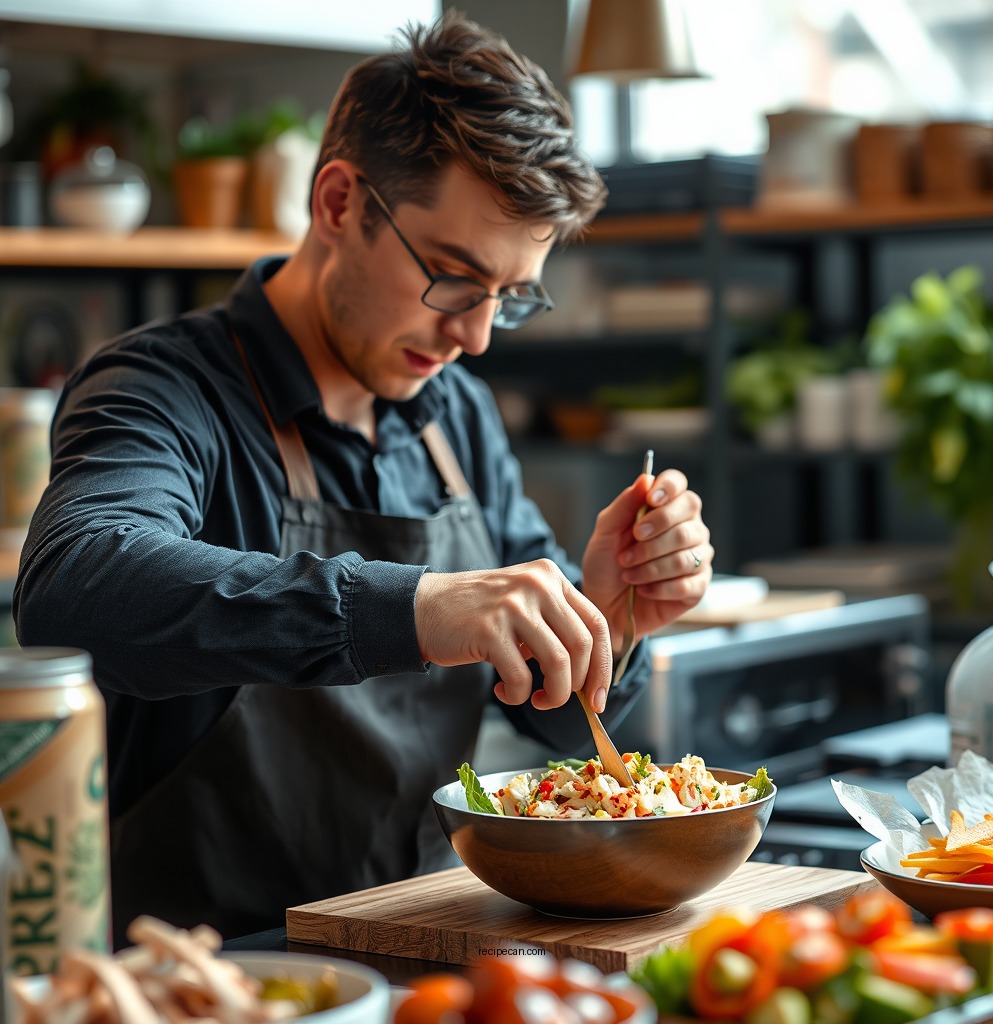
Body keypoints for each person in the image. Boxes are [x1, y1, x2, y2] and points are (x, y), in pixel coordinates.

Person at [14, 9, 713, 944]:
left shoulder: (456, 415)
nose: (473, 336)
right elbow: (74, 588)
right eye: (453, 277)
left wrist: (606, 615)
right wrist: (417, 608)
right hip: (210, 976)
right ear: (340, 203)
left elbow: (552, 727)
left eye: (508, 299)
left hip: (426, 943)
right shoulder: (159, 386)